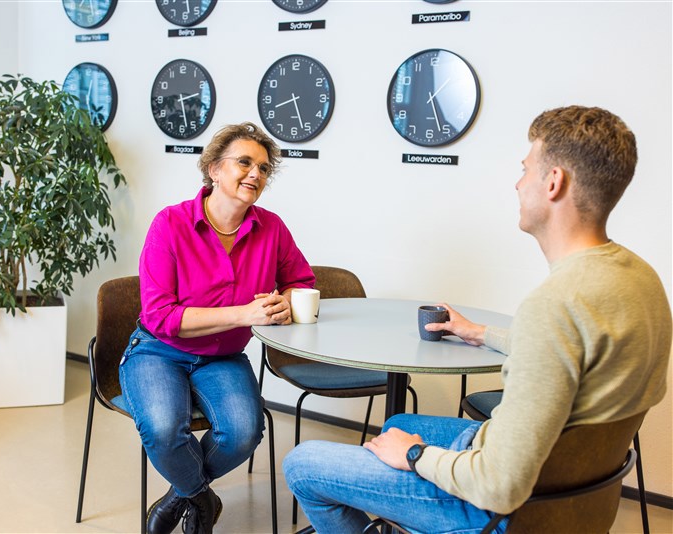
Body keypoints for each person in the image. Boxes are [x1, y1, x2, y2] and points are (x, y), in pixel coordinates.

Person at [283, 106, 672, 533]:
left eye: (526, 170)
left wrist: (415, 456)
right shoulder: (639, 279)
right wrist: (479, 332)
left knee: (304, 464)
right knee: (398, 424)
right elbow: (571, 347)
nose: (518, 183)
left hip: (495, 508)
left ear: (554, 182)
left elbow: (497, 486)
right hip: (567, 494)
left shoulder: (555, 304)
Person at [119, 122, 315, 534]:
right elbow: (161, 317)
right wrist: (245, 314)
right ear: (213, 169)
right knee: (161, 429)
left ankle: (182, 495)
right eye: (244, 162)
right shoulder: (169, 224)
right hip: (158, 350)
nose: (255, 175)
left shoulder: (272, 228)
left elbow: (302, 281)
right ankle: (204, 499)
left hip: (222, 357)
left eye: (263, 168)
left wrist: (287, 302)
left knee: (244, 432)